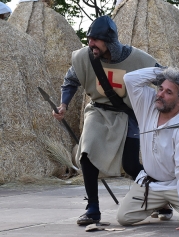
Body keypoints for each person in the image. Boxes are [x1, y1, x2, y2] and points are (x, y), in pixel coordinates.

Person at [52, 15, 160, 225]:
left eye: (96, 40)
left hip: (127, 114)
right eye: (89, 38)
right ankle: (92, 208)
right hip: (98, 111)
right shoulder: (85, 57)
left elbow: (164, 77)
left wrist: (169, 104)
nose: (91, 43)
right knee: (86, 153)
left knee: (130, 165)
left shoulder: (137, 59)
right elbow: (70, 81)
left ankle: (159, 196)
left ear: (109, 41)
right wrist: (64, 104)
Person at [117, 67, 179, 232]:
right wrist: (163, 72)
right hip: (151, 183)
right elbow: (130, 79)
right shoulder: (148, 104)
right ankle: (160, 204)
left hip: (175, 184)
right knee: (124, 217)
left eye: (168, 92)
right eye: (160, 88)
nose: (160, 94)